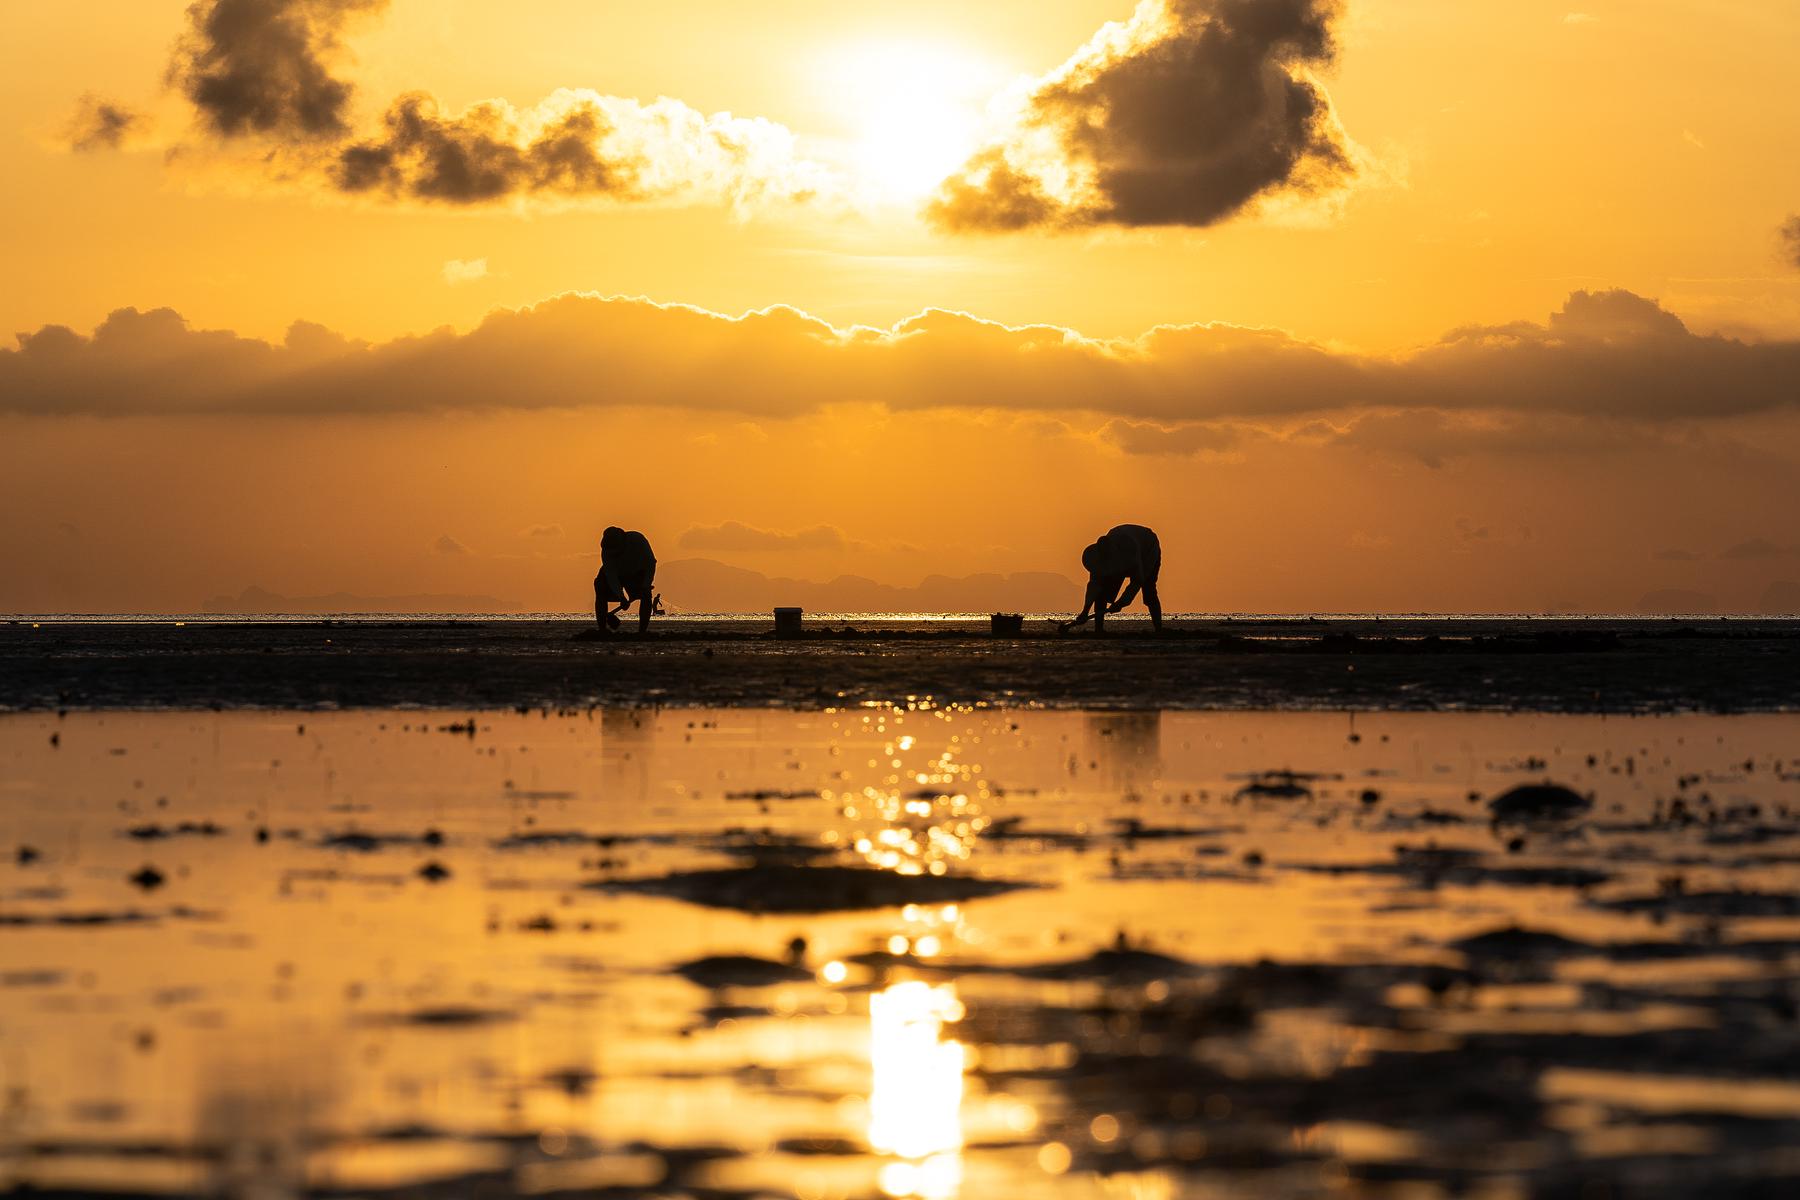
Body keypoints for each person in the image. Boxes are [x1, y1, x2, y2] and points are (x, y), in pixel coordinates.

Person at [1061, 524, 1162, 634]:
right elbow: (1094, 585)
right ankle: (1098, 630)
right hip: (1124, 546)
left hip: (1147, 550)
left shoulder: (1131, 552)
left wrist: (1121, 603)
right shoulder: (1099, 558)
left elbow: (1137, 581)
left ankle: (1159, 629)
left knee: (1149, 589)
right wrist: (1085, 611)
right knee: (1102, 594)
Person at [595, 526, 658, 634]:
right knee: (599, 585)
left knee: (646, 595)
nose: (613, 554)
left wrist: (646, 584)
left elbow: (650, 564)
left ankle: (642, 632)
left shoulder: (638, 541)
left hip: (637, 573)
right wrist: (621, 597)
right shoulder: (606, 552)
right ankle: (602, 630)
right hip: (618, 575)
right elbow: (611, 576)